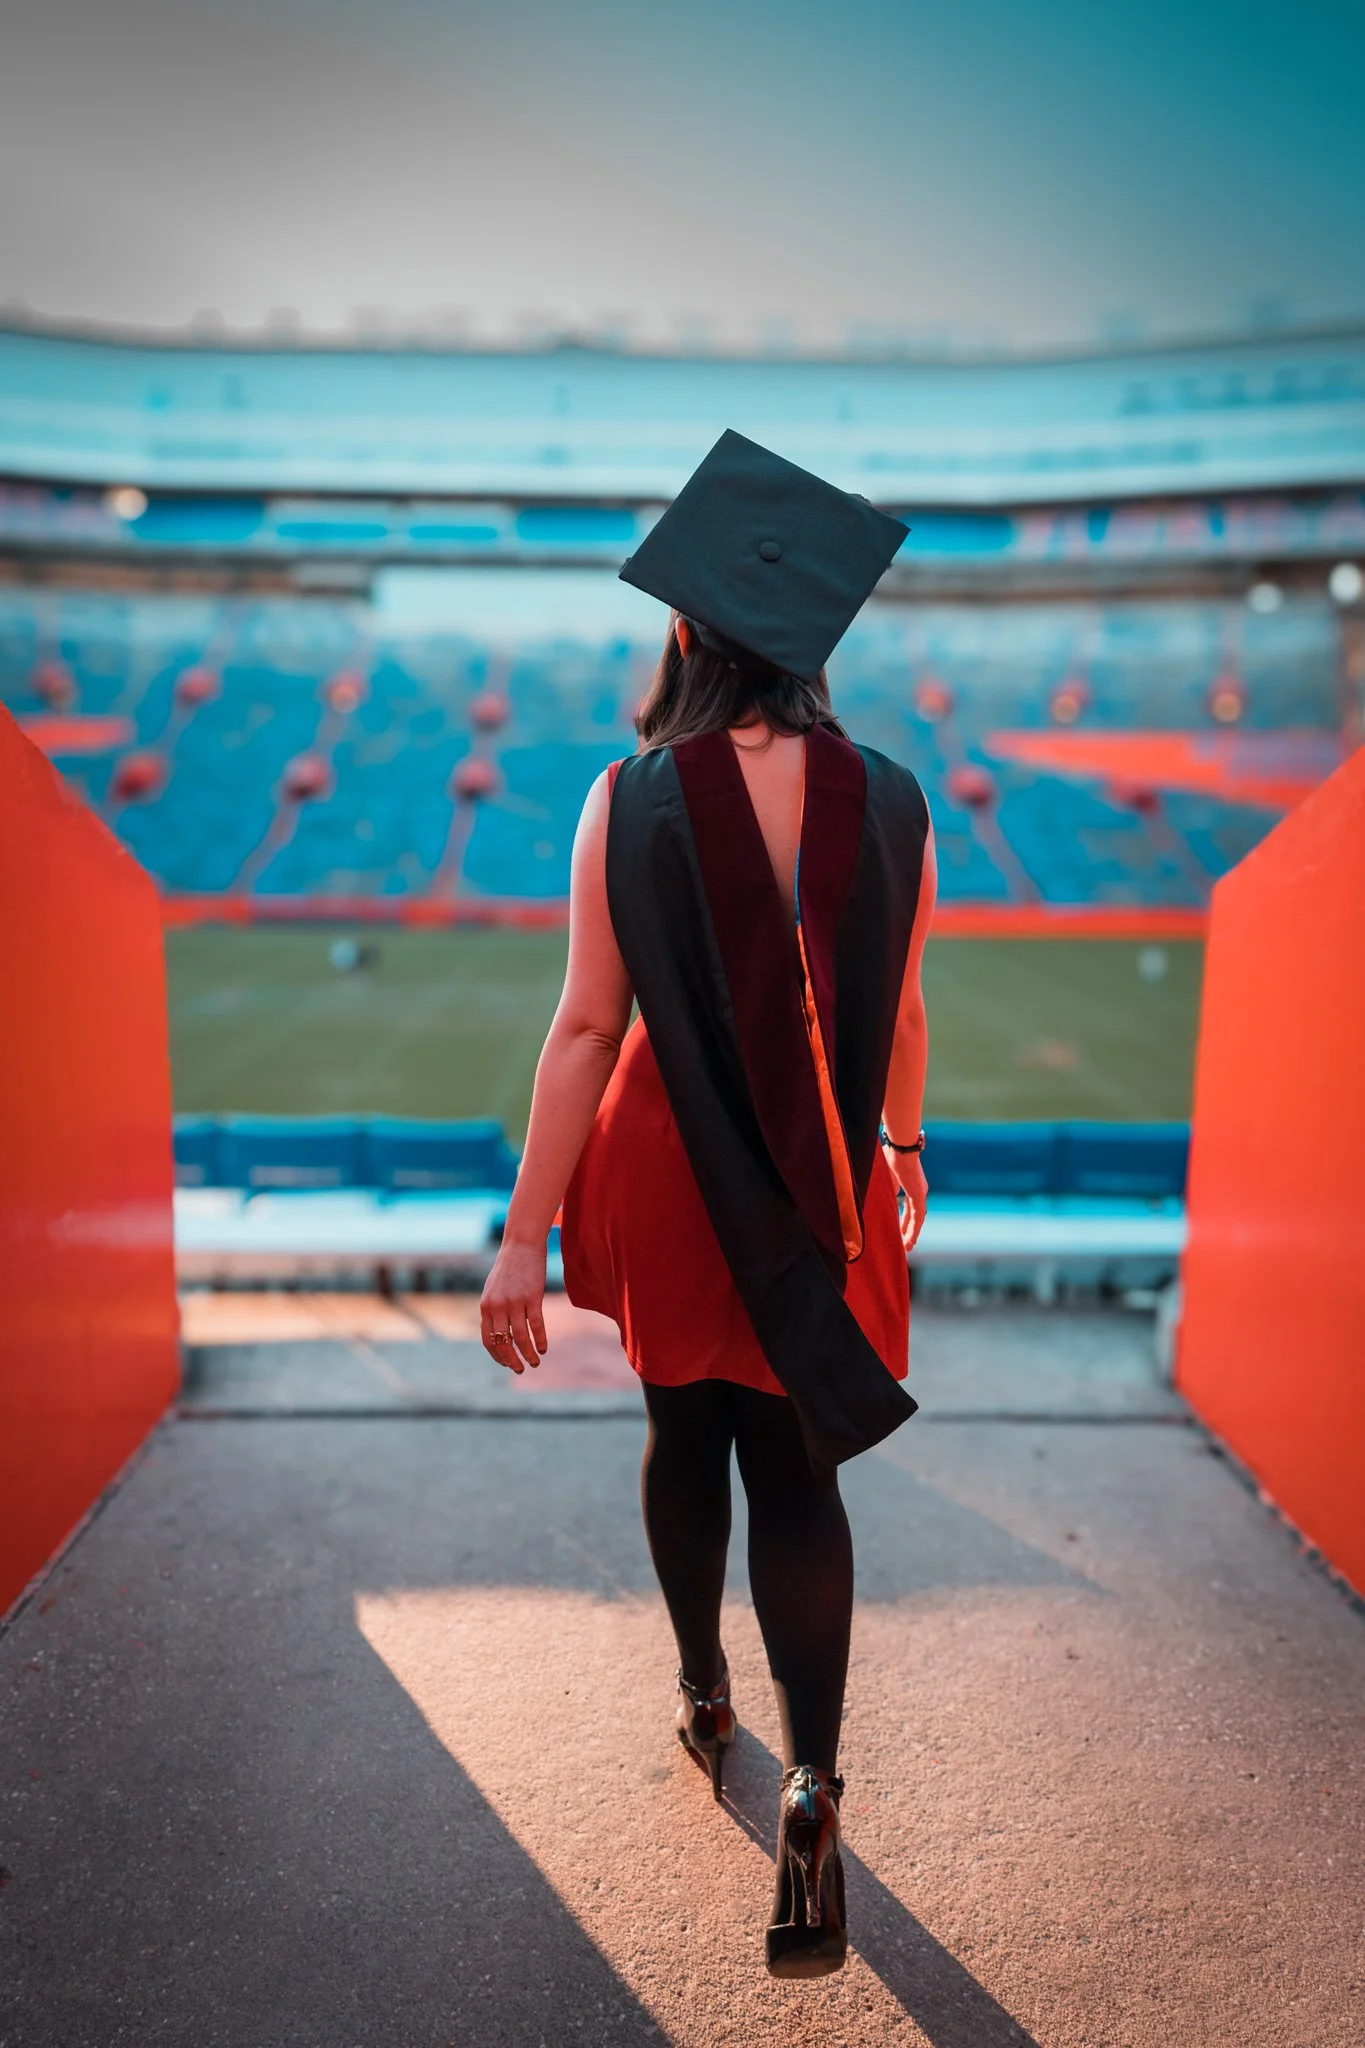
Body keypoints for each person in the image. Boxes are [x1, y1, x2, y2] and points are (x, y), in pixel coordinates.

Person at [480, 430, 936, 1979]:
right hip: (832, 1180)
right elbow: (910, 1014)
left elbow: (585, 1032)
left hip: (671, 1180)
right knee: (801, 1473)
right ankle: (813, 1780)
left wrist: (522, 1237)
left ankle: (700, 1693)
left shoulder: (631, 796)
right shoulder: (895, 801)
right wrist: (905, 1149)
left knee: (687, 1437)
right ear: (813, 641)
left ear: (684, 627)